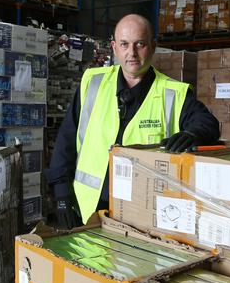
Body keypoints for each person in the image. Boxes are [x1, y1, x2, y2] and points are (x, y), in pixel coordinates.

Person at [45, 14, 220, 229]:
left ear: (153, 47)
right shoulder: (93, 83)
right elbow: (67, 139)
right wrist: (62, 196)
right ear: (114, 47)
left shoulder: (173, 93)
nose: (132, 53)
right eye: (125, 44)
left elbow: (208, 123)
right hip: (87, 208)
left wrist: (193, 134)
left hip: (142, 216)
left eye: (140, 44)